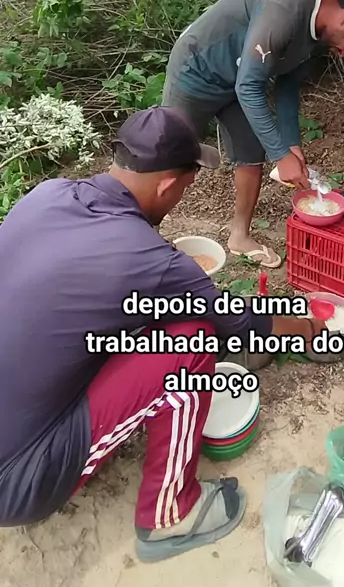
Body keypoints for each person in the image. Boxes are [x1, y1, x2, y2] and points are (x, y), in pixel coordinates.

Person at [0, 106, 326, 563]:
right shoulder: (150, 259)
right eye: (185, 190)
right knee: (189, 345)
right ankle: (170, 513)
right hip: (17, 480)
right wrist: (307, 327)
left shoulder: (46, 194)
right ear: (168, 186)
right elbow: (242, 325)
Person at [162, 0, 344, 268]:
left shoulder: (316, 35)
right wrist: (281, 156)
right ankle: (143, 235)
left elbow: (288, 86)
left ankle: (239, 237)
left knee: (251, 152)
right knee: (169, 156)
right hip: (197, 69)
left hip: (238, 80)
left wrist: (291, 145)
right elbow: (249, 86)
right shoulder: (284, 8)